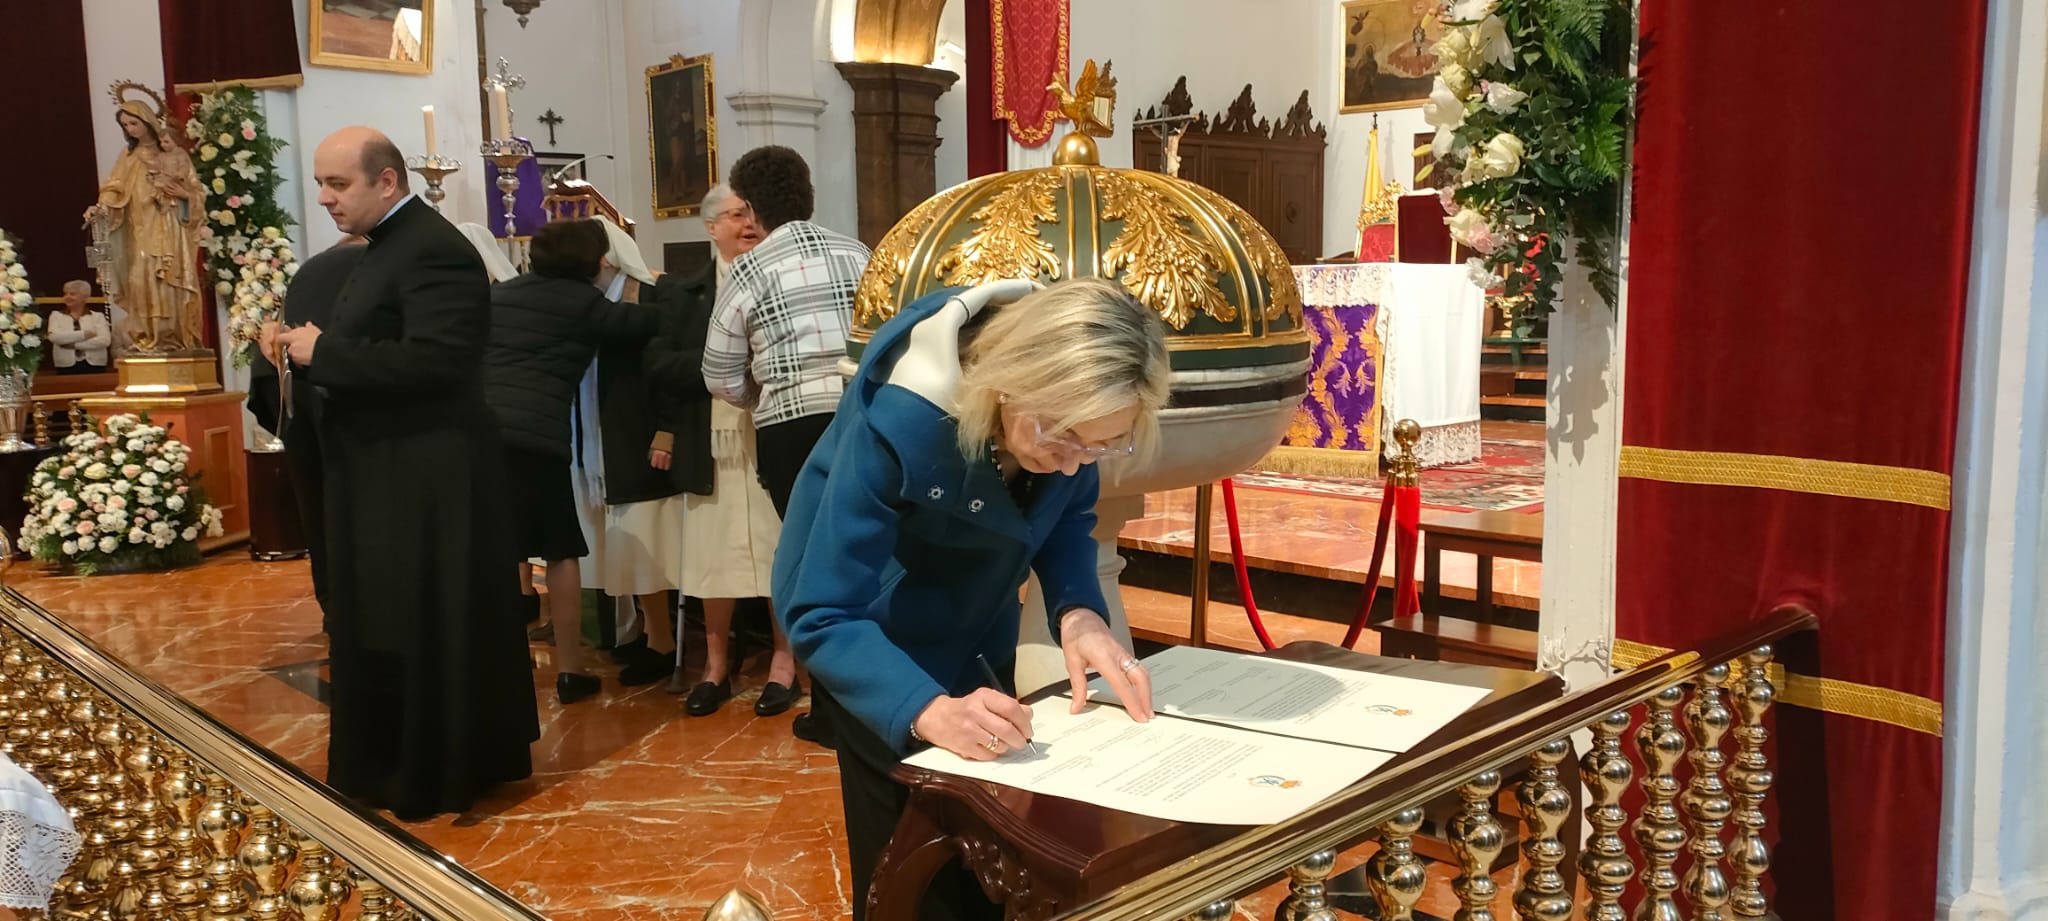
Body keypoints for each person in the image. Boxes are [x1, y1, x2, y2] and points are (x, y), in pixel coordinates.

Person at [772, 277, 1170, 921]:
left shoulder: (1071, 417)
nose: (1076, 464)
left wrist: (1078, 611)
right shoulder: (904, 417)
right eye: (1064, 439)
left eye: (1100, 446)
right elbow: (822, 611)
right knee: (909, 872)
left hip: (976, 630)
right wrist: (925, 708)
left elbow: (1067, 515)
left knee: (987, 862)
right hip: (877, 649)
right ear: (1010, 384)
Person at [271, 127, 538, 820]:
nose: (324, 197)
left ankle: (433, 770)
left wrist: (324, 353)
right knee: (387, 620)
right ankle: (387, 763)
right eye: (321, 183)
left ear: (386, 181)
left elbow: (439, 360)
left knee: (423, 622)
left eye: (338, 184)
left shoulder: (433, 248)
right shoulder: (389, 245)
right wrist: (307, 350)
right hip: (389, 470)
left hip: (430, 477)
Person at [703, 145, 872, 736]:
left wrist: (762, 395)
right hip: (863, 416)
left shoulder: (748, 270)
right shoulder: (858, 253)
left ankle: (828, 711)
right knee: (870, 557)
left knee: (811, 567)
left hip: (791, 430)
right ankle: (875, 704)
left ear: (750, 209)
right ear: (808, 195)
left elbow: (718, 372)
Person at [481, 219, 664, 704]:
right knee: (560, 550)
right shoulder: (584, 303)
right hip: (535, 441)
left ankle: (499, 665)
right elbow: (645, 325)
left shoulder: (501, 294)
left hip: (477, 436)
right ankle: (570, 669)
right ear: (593, 261)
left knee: (497, 549)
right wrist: (661, 287)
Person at [646, 185, 786, 717]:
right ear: (711, 228)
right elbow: (658, 364)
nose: (747, 224)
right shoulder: (685, 292)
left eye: (752, 214)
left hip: (770, 434)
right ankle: (716, 665)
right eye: (734, 215)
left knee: (778, 549)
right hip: (709, 441)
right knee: (712, 558)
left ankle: (784, 663)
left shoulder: (781, 277)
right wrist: (722, 364)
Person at [565, 218, 694, 688]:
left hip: (642, 435)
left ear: (604, 257)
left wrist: (667, 430)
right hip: (607, 435)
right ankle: (647, 632)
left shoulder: (651, 294)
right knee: (627, 543)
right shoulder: (593, 300)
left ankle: (663, 642)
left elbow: (670, 371)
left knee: (647, 541)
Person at [250, 236, 368, 615]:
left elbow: (266, 375)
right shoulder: (375, 270)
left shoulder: (307, 276)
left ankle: (335, 611)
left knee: (321, 520)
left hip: (304, 416)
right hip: (366, 425)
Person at [84, 86, 206, 353]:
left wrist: (183, 195)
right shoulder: (129, 156)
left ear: (148, 121)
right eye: (125, 125)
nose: (130, 129)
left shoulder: (173, 155)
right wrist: (101, 207)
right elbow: (114, 187)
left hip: (169, 226)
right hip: (138, 229)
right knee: (140, 279)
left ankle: (173, 337)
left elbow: (196, 191)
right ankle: (147, 337)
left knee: (168, 279)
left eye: (134, 123)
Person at [48, 281, 112, 374]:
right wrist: (84, 334)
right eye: (65, 294)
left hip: (95, 365)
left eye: (72, 294)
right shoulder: (56, 316)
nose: (67, 297)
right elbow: (54, 337)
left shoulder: (97, 316)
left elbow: (104, 340)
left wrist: (74, 345)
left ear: (85, 297)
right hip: (66, 366)